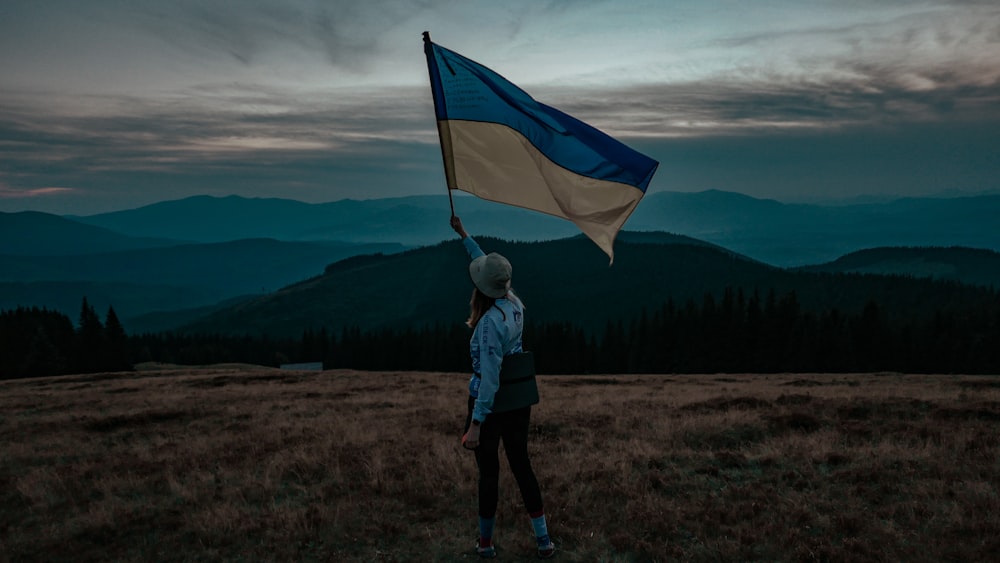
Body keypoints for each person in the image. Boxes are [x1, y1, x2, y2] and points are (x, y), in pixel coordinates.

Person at [451, 215, 555, 560]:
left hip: (491, 404)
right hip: (518, 402)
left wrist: (477, 423)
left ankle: (485, 544)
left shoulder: (488, 325)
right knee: (521, 464)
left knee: (489, 474)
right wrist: (464, 234)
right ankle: (543, 540)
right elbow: (487, 269)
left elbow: (490, 379)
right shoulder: (513, 302)